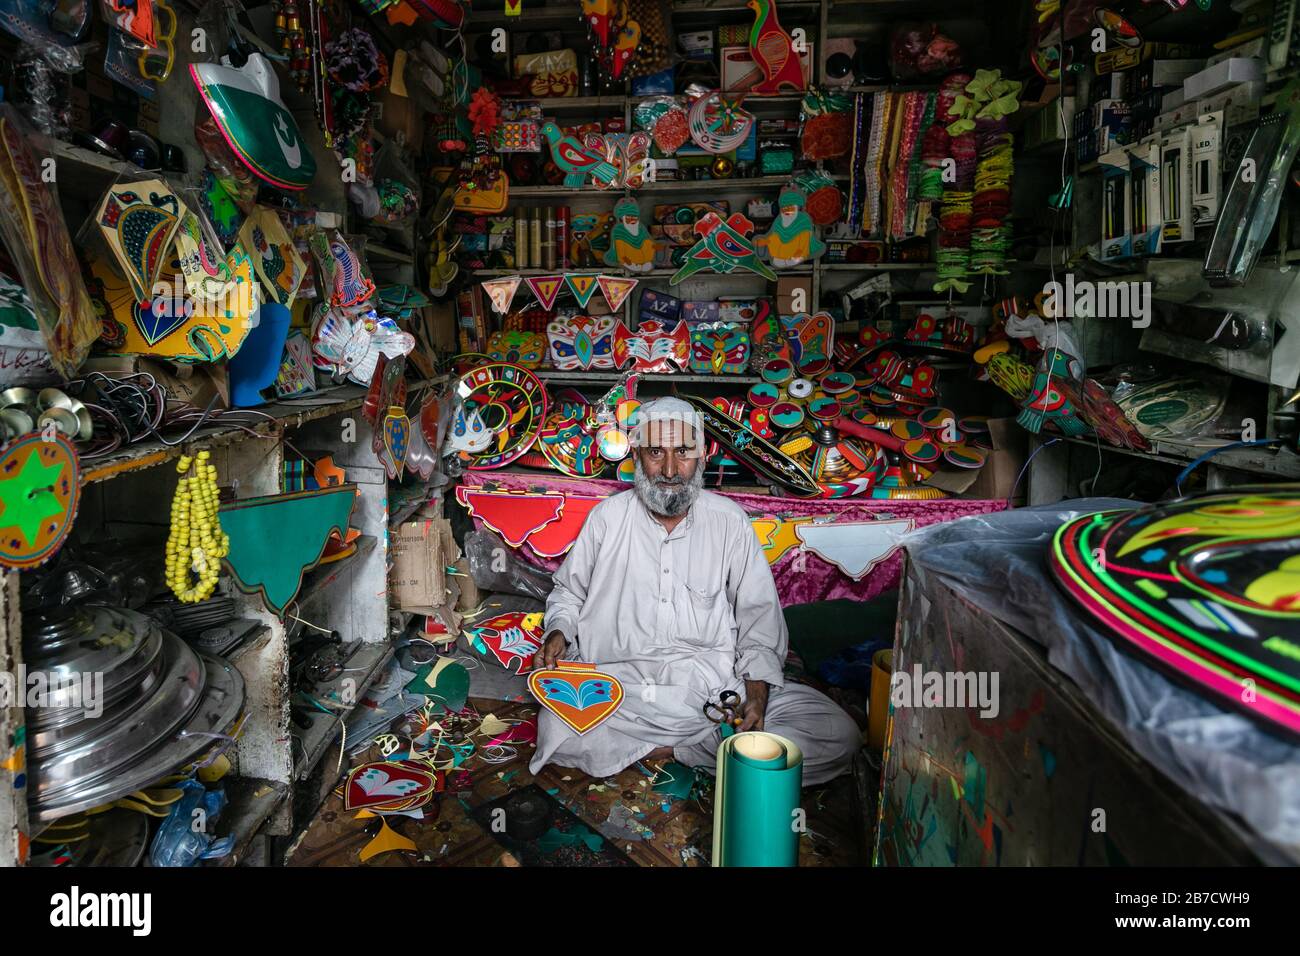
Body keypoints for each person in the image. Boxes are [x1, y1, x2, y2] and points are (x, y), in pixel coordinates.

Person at [529, 397, 861, 786]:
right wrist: (558, 632)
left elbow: (758, 615)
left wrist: (755, 696)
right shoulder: (608, 518)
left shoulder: (729, 522)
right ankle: (708, 750)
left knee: (838, 733)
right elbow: (569, 592)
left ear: (703, 456)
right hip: (622, 689)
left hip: (713, 692)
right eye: (656, 452)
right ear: (636, 455)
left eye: (683, 452)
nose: (670, 469)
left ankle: (672, 748)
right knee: (557, 729)